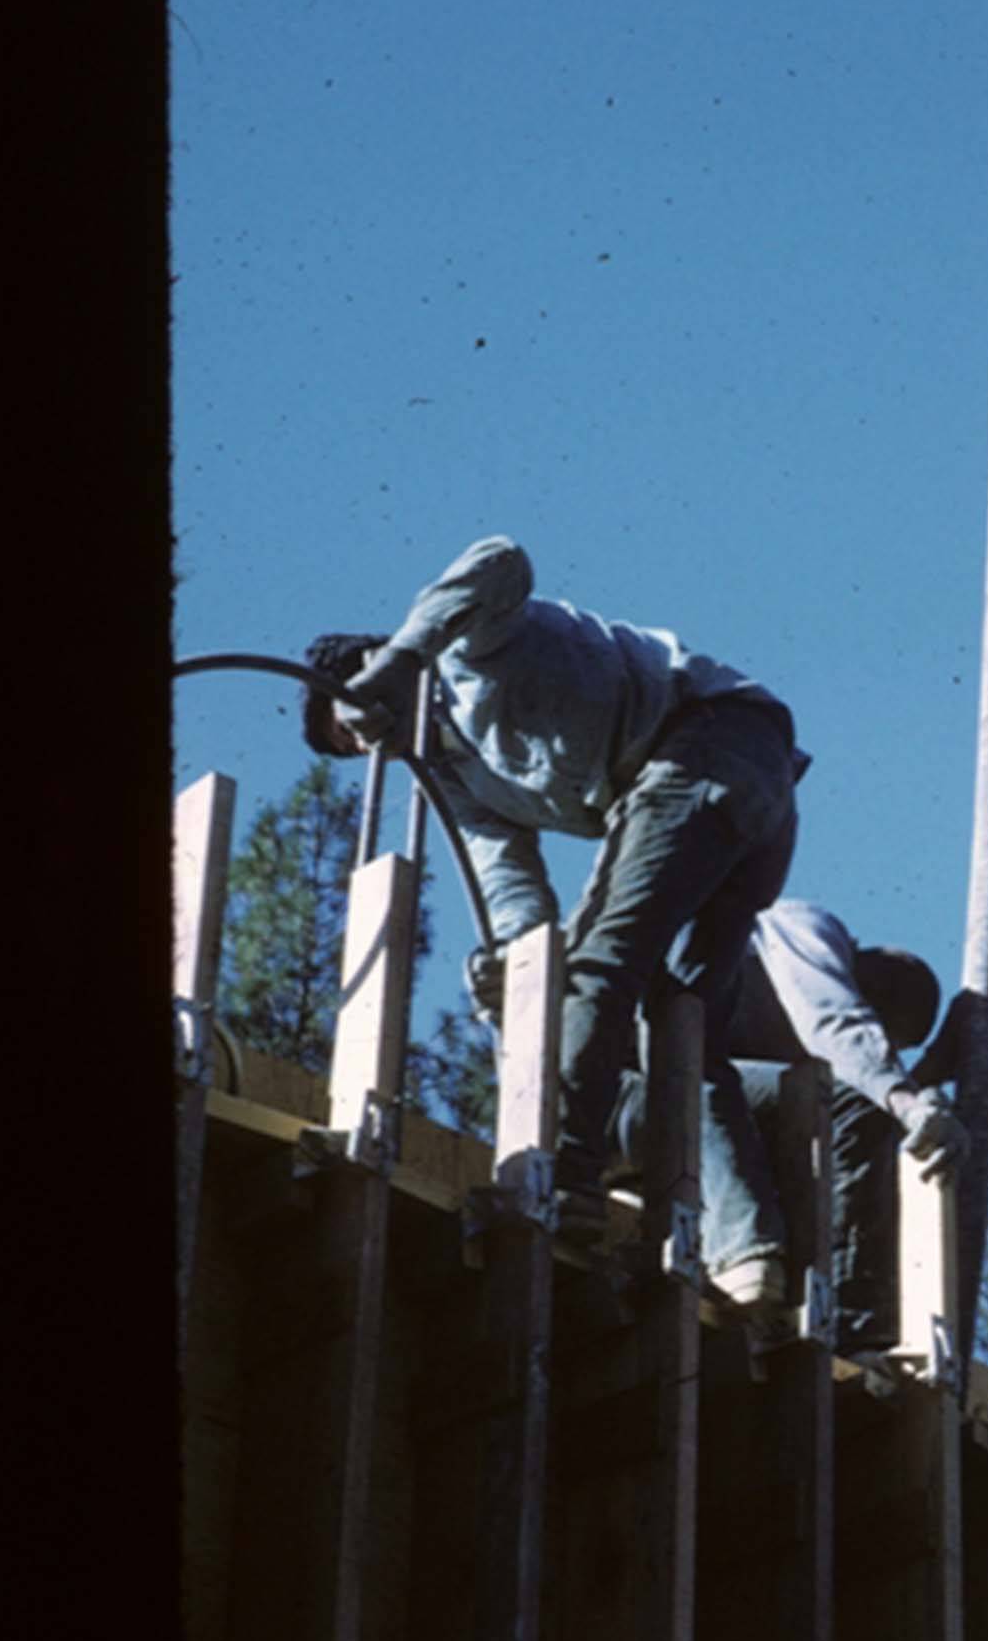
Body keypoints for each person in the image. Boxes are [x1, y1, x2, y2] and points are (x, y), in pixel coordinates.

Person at [303, 535, 803, 1285]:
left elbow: (503, 559)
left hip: (711, 743)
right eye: (355, 748)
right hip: (730, 798)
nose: (373, 745)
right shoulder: (455, 776)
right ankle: (747, 1247)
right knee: (675, 1020)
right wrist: (514, 967)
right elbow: (514, 895)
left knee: (601, 969)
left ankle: (565, 1184)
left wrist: (403, 655)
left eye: (358, 723)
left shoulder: (468, 646)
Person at [705, 900, 982, 1354]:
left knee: (842, 1111)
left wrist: (930, 1071)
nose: (879, 1051)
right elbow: (837, 1026)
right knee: (851, 1101)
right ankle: (849, 1324)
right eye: (885, 1039)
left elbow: (852, 1103)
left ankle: (823, 1308)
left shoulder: (781, 1047)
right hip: (639, 1084)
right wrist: (907, 1099)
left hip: (692, 1106)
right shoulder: (801, 929)